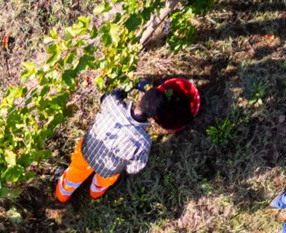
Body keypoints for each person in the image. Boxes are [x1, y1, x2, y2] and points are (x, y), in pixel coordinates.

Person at [55, 76, 201, 204]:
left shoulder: (113, 105)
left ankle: (62, 196)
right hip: (108, 169)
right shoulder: (143, 143)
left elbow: (106, 97)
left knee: (73, 175)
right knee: (102, 182)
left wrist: (130, 88)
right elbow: (133, 168)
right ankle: (94, 194)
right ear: (154, 117)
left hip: (86, 151)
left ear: (139, 100)